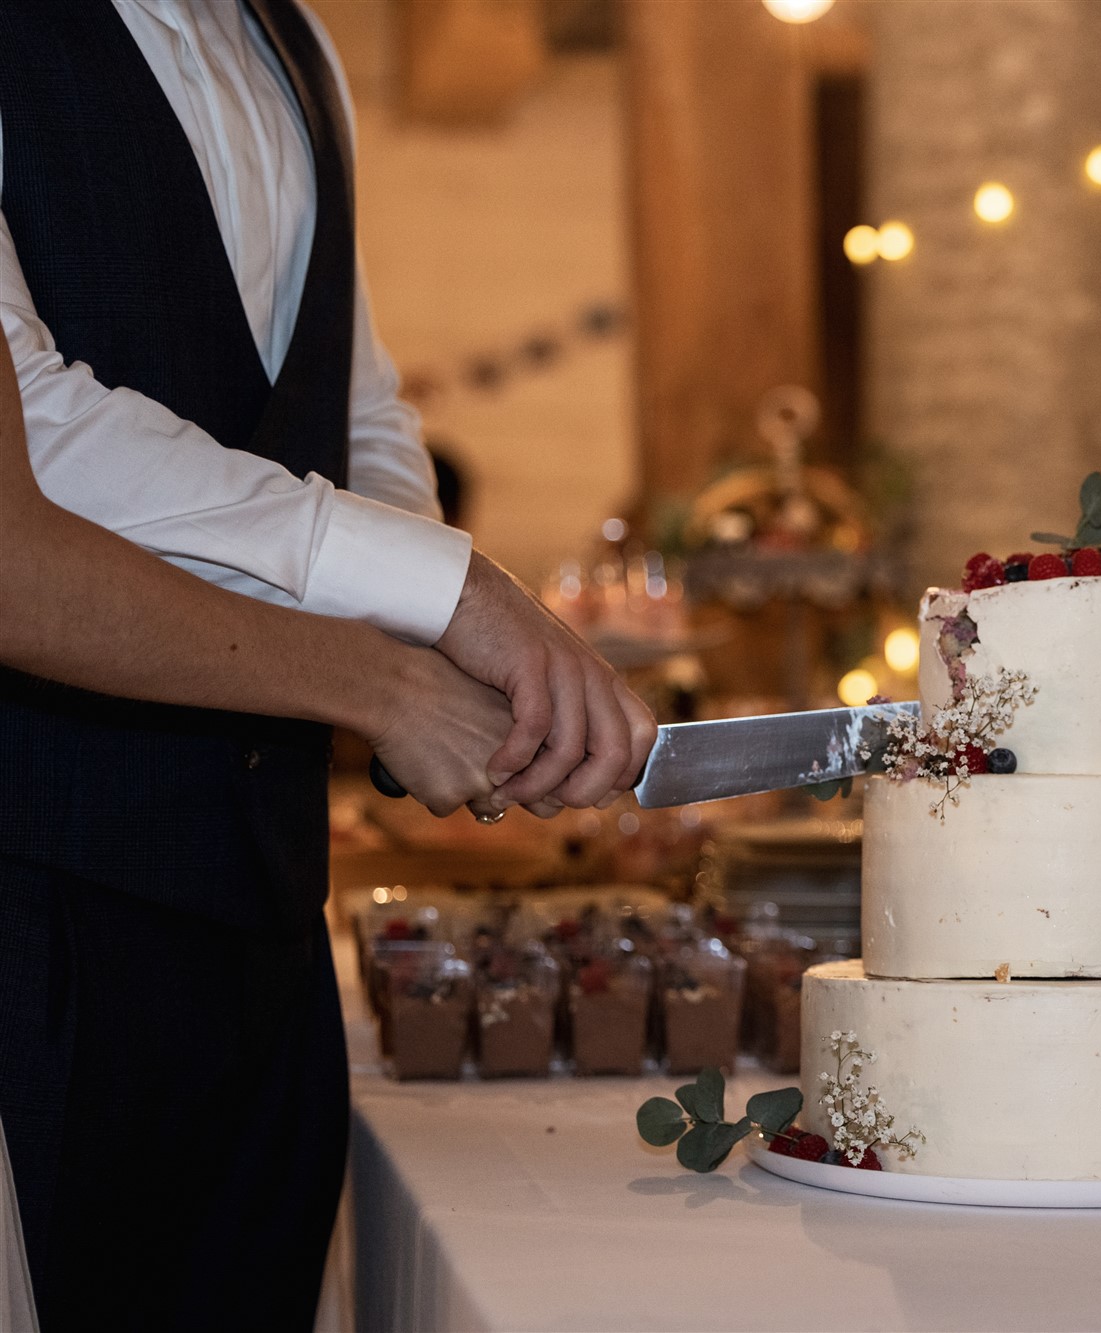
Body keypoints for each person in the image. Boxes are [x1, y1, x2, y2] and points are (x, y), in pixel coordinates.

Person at [0, 3, 651, 1327]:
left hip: (270, 890)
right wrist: (448, 594)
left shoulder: (296, 41)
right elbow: (42, 434)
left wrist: (427, 632)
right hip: (44, 869)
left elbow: (353, 401)